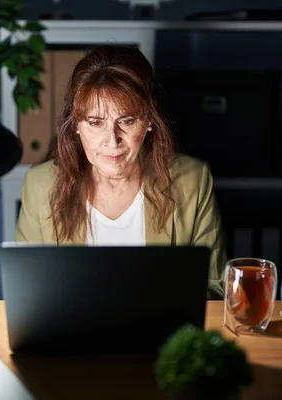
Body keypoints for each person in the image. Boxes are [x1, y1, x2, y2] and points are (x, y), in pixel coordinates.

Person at [15, 45, 227, 299]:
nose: (111, 140)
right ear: (77, 126)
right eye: (95, 123)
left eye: (126, 121)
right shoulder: (40, 185)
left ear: (149, 119)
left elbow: (214, 289)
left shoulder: (193, 179)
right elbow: (28, 292)